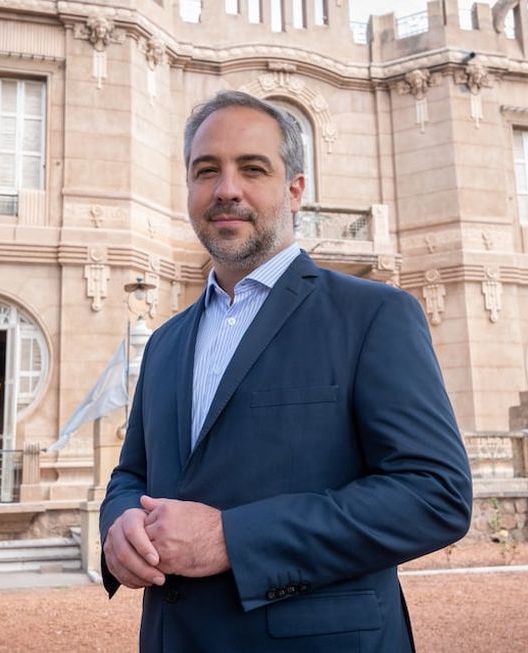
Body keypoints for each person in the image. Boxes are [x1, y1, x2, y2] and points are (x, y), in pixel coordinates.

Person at [99, 91, 473, 652]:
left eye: (253, 169)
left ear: (295, 190)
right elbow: (132, 475)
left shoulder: (373, 315)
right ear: (190, 190)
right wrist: (120, 525)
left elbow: (435, 495)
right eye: (207, 171)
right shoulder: (165, 344)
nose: (227, 189)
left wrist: (233, 539)